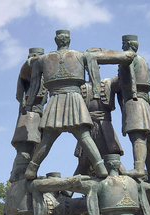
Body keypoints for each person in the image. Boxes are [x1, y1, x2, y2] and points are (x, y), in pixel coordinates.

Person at [23, 29, 136, 180]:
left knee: (48, 139)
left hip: (55, 100)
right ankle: (99, 166)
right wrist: (96, 91)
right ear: (68, 40)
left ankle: (32, 168)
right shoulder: (81, 55)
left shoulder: (43, 59)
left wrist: (30, 102)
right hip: (74, 100)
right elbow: (94, 73)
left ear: (56, 40)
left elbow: (35, 84)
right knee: (83, 136)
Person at [117, 34, 150, 182]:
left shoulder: (128, 58)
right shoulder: (143, 60)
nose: (122, 47)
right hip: (145, 102)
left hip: (134, 101)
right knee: (149, 143)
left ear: (127, 44)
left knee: (138, 137)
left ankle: (139, 169)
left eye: (123, 44)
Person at [9, 47, 48, 182]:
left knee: (34, 149)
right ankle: (18, 174)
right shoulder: (29, 72)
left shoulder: (42, 75)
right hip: (29, 114)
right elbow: (21, 95)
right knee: (26, 147)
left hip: (37, 113)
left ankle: (23, 174)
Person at [73, 78, 124, 176]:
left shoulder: (108, 83)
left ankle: (127, 188)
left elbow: (121, 80)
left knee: (114, 162)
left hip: (105, 128)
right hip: (87, 128)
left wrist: (124, 66)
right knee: (83, 164)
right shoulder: (80, 86)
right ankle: (67, 191)